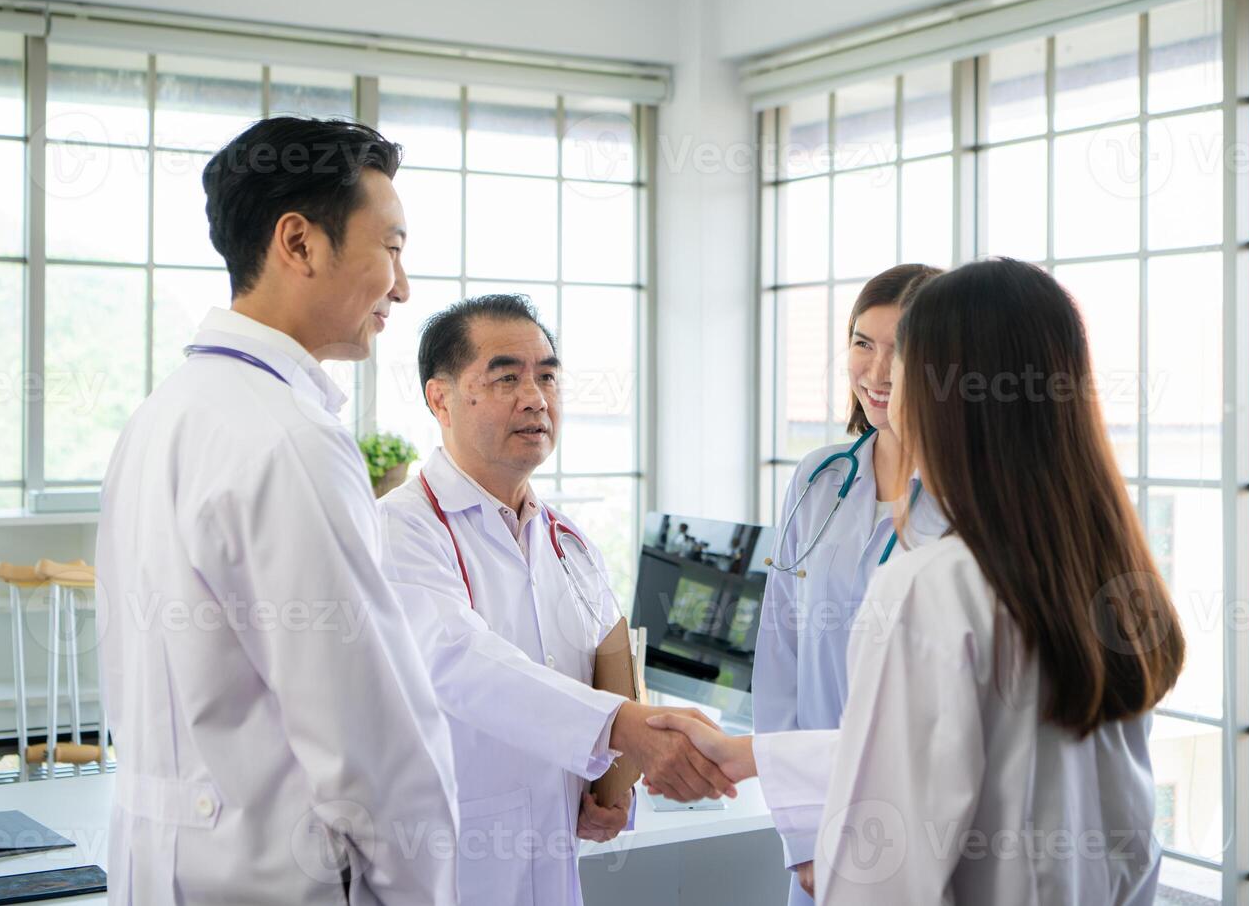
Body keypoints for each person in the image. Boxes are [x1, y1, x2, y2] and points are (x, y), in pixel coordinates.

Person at [652, 258, 1186, 904]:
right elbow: (1128, 843)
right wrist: (753, 759)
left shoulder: (932, 586)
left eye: (903, 365)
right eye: (866, 348)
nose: (882, 383)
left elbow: (889, 858)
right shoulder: (1106, 576)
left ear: (948, 395)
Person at [98, 118, 459, 905]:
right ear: (299, 243)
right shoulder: (288, 438)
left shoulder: (164, 414)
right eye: (391, 247)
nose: (403, 286)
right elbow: (373, 746)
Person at [377, 294, 736, 905]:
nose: (535, 398)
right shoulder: (400, 528)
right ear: (439, 398)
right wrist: (626, 729)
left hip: (554, 868)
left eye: (547, 375)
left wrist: (610, 791)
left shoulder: (569, 542)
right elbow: (456, 661)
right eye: (506, 377)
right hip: (449, 872)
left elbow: (611, 670)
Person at [752, 262, 948, 902]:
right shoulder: (816, 478)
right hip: (816, 820)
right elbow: (777, 656)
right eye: (863, 344)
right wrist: (801, 833)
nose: (878, 372)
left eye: (903, 350)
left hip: (920, 828)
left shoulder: (969, 507)